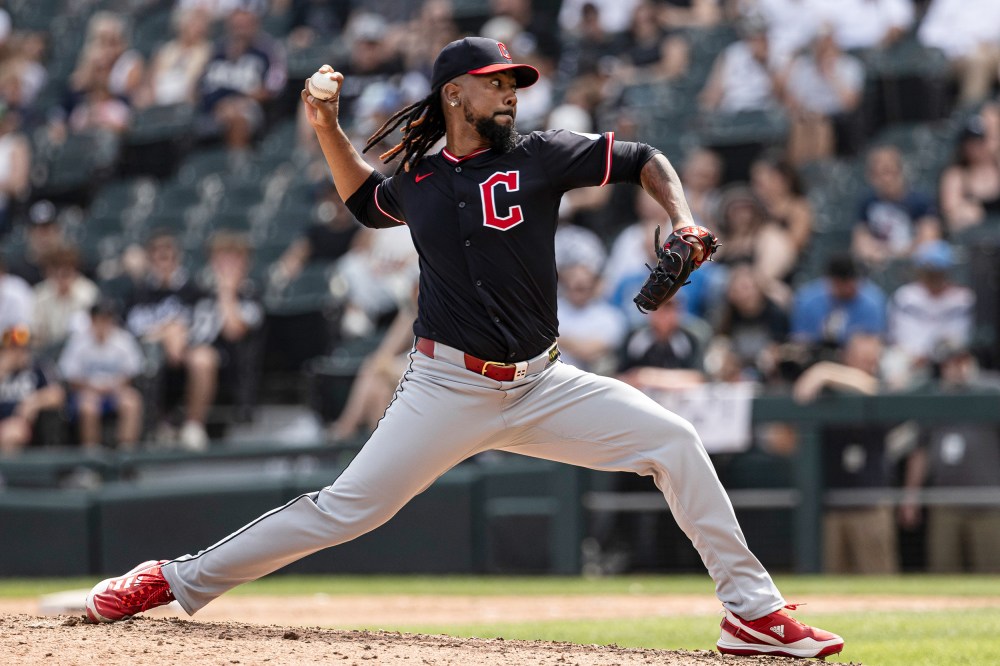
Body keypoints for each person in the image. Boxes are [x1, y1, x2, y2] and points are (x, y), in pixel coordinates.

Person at [85, 37, 844, 660]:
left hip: (544, 383)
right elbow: (364, 202)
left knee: (674, 442)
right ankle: (174, 578)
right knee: (346, 509)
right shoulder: (418, 177)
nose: (511, 93)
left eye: (515, 82)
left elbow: (644, 156)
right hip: (446, 389)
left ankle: (751, 615)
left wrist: (681, 217)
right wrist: (326, 128)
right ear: (455, 94)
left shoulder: (541, 154)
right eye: (495, 83)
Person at [792, 332, 899, 574]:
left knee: (879, 581)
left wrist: (824, 371)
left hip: (871, 504)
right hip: (831, 505)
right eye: (861, 359)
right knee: (831, 582)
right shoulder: (828, 393)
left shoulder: (877, 386)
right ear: (846, 358)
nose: (867, 365)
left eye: (872, 359)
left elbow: (874, 388)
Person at [899, 345, 1000, 573]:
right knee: (943, 569)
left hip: (988, 502)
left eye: (963, 361)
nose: (958, 368)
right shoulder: (934, 399)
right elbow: (919, 453)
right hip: (944, 502)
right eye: (951, 363)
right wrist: (911, 496)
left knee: (992, 572)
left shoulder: (991, 392)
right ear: (943, 367)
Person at [58, 300, 145, 451]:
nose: (103, 323)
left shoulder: (123, 340)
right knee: (88, 406)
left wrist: (114, 385)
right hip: (87, 391)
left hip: (116, 390)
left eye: (107, 318)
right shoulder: (78, 341)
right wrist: (92, 387)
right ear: (92, 319)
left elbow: (132, 373)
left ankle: (126, 456)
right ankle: (92, 458)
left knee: (132, 402)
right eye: (99, 318)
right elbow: (70, 377)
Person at [852, 145, 941, 268]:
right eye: (877, 174)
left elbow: (929, 240)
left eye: (889, 172)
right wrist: (874, 253)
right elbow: (861, 239)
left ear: (900, 171)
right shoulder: (868, 202)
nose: (885, 179)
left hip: (911, 264)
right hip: (879, 263)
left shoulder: (920, 201)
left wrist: (900, 256)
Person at [0, 325, 64, 457]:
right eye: (13, 349)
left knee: (12, 434)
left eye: (22, 349)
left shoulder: (37, 367)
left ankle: (7, 476)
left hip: (24, 425)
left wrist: (35, 401)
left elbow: (57, 395)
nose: (18, 353)